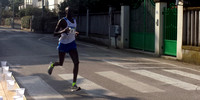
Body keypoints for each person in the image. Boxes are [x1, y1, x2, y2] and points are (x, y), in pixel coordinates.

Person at [48, 6, 81, 92]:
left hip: (72, 44)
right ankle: (52, 65)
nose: (70, 13)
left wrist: (75, 32)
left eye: (71, 12)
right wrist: (63, 31)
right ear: (66, 12)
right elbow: (54, 33)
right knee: (61, 63)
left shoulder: (74, 21)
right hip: (63, 44)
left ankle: (73, 85)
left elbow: (71, 30)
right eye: (68, 12)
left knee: (76, 62)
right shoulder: (62, 21)